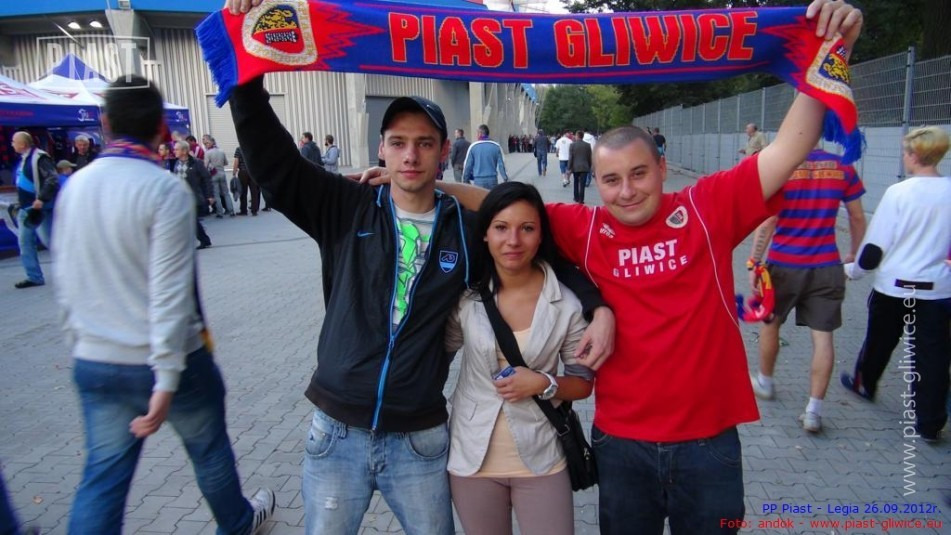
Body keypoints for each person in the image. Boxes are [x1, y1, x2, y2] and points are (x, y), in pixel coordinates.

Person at [428, 3, 862, 531]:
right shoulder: (586, 227)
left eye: (639, 174)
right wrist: (422, 185)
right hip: (622, 443)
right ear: (596, 182)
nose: (627, 191)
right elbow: (500, 204)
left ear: (662, 167)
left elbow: (792, 147)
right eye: (611, 180)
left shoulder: (707, 207)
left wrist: (831, 50)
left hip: (708, 442)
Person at [222, 22, 613, 528]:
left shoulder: (468, 233)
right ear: (382, 149)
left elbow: (534, 243)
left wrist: (596, 306)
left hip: (420, 440)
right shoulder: (345, 208)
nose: (411, 155)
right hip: (337, 430)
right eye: (399, 142)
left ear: (444, 150)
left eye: (425, 143)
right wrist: (247, 73)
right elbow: (275, 166)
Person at [51, 74, 274, 535]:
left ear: (105, 123)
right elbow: (171, 294)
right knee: (208, 451)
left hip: (96, 359)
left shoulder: (75, 186)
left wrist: (81, 344)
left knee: (102, 478)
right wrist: (167, 375)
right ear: (161, 128)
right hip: (171, 362)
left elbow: (66, 279)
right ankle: (236, 524)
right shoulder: (163, 189)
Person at [445, 182, 592, 535]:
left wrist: (544, 383)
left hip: (542, 456)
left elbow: (583, 384)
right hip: (472, 457)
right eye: (501, 227)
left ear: (541, 236)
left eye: (526, 228)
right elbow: (438, 357)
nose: (513, 240)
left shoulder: (567, 304)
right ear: (485, 234)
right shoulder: (466, 298)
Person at [841, 126, 951, 442]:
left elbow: (875, 248)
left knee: (879, 341)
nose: (904, 157)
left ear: (915, 155)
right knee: (933, 355)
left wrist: (853, 271)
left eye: (905, 152)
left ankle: (865, 383)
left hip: (895, 287)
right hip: (938, 289)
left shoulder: (898, 193)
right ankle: (930, 423)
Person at [747, 147, 867, 433]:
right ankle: (813, 411)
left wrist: (754, 261)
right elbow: (857, 217)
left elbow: (769, 220)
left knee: (770, 322)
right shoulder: (843, 167)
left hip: (783, 264)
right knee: (823, 337)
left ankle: (765, 381)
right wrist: (854, 253)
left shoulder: (782, 166)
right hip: (826, 265)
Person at [10, 131, 58, 289]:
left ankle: (74, 269)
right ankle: (34, 276)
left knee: (49, 241)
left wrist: (41, 199)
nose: (12, 144)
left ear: (23, 144)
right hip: (27, 207)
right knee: (26, 242)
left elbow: (52, 179)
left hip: (38, 207)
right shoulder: (25, 159)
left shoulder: (40, 158)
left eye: (14, 141)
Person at [172, 140, 215, 249]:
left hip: (193, 197)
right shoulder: (177, 164)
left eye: (177, 149)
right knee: (190, 221)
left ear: (184, 151)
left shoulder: (196, 163)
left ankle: (203, 240)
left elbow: (207, 178)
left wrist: (210, 195)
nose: (174, 151)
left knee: (192, 220)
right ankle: (204, 240)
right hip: (180, 198)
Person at [463, 124, 508, 189]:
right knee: (492, 195)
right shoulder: (496, 146)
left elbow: (467, 165)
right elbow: (502, 164)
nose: (476, 135)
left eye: (477, 133)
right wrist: (505, 178)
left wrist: (465, 179)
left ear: (480, 133)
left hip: (478, 180)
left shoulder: (473, 146)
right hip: (492, 180)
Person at [203, 135, 235, 218]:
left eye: (207, 143)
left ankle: (220, 212)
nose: (205, 145)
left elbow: (205, 166)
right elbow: (226, 163)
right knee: (226, 193)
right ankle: (231, 211)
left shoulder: (208, 153)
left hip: (213, 175)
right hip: (222, 173)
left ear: (211, 142)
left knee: (216, 195)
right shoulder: (221, 151)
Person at [233, 145, 261, 215]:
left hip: (243, 172)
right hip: (253, 172)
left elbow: (236, 161)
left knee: (243, 192)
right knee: (254, 191)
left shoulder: (239, 149)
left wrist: (234, 171)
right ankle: (254, 210)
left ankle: (243, 210)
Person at [568, 130, 592, 204]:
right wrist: (589, 165)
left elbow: (571, 157)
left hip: (575, 167)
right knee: (582, 184)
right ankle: (581, 199)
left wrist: (569, 167)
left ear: (577, 136)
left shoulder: (572, 145)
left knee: (576, 182)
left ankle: (576, 197)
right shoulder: (587, 145)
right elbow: (589, 157)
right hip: (585, 167)